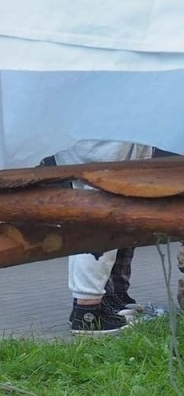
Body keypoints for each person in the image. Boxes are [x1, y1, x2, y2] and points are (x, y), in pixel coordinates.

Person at [52, 141, 154, 335]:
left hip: (92, 152)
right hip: (101, 154)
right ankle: (88, 312)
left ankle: (87, 308)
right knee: (98, 228)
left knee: (91, 226)